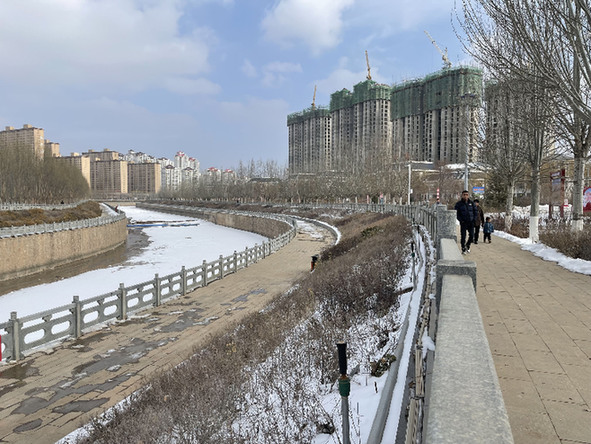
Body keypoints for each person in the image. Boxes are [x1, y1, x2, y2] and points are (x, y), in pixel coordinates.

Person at [454, 190, 478, 254]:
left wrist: (474, 219)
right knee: (463, 236)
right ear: (462, 195)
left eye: (467, 195)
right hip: (463, 222)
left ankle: (468, 245)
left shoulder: (472, 203)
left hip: (471, 222)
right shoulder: (459, 204)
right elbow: (456, 213)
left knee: (472, 235)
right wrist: (461, 220)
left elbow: (475, 212)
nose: (465, 196)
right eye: (464, 195)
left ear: (468, 195)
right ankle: (463, 248)